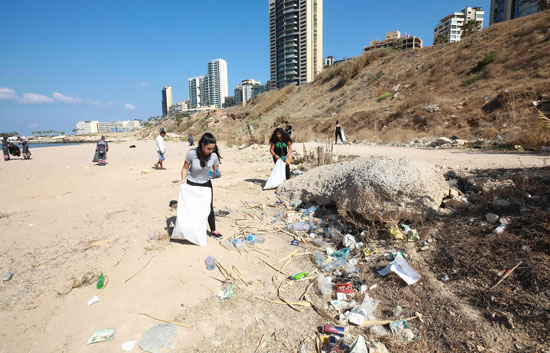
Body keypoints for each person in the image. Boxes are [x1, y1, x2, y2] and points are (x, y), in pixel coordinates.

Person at [179, 133, 223, 239]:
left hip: (206, 184)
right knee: (192, 207)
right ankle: (191, 230)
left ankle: (213, 230)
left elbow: (216, 170)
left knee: (208, 207)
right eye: (208, 148)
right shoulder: (191, 154)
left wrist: (216, 174)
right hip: (192, 183)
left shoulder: (213, 156)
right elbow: (185, 168)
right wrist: (183, 179)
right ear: (202, 145)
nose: (211, 151)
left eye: (213, 148)